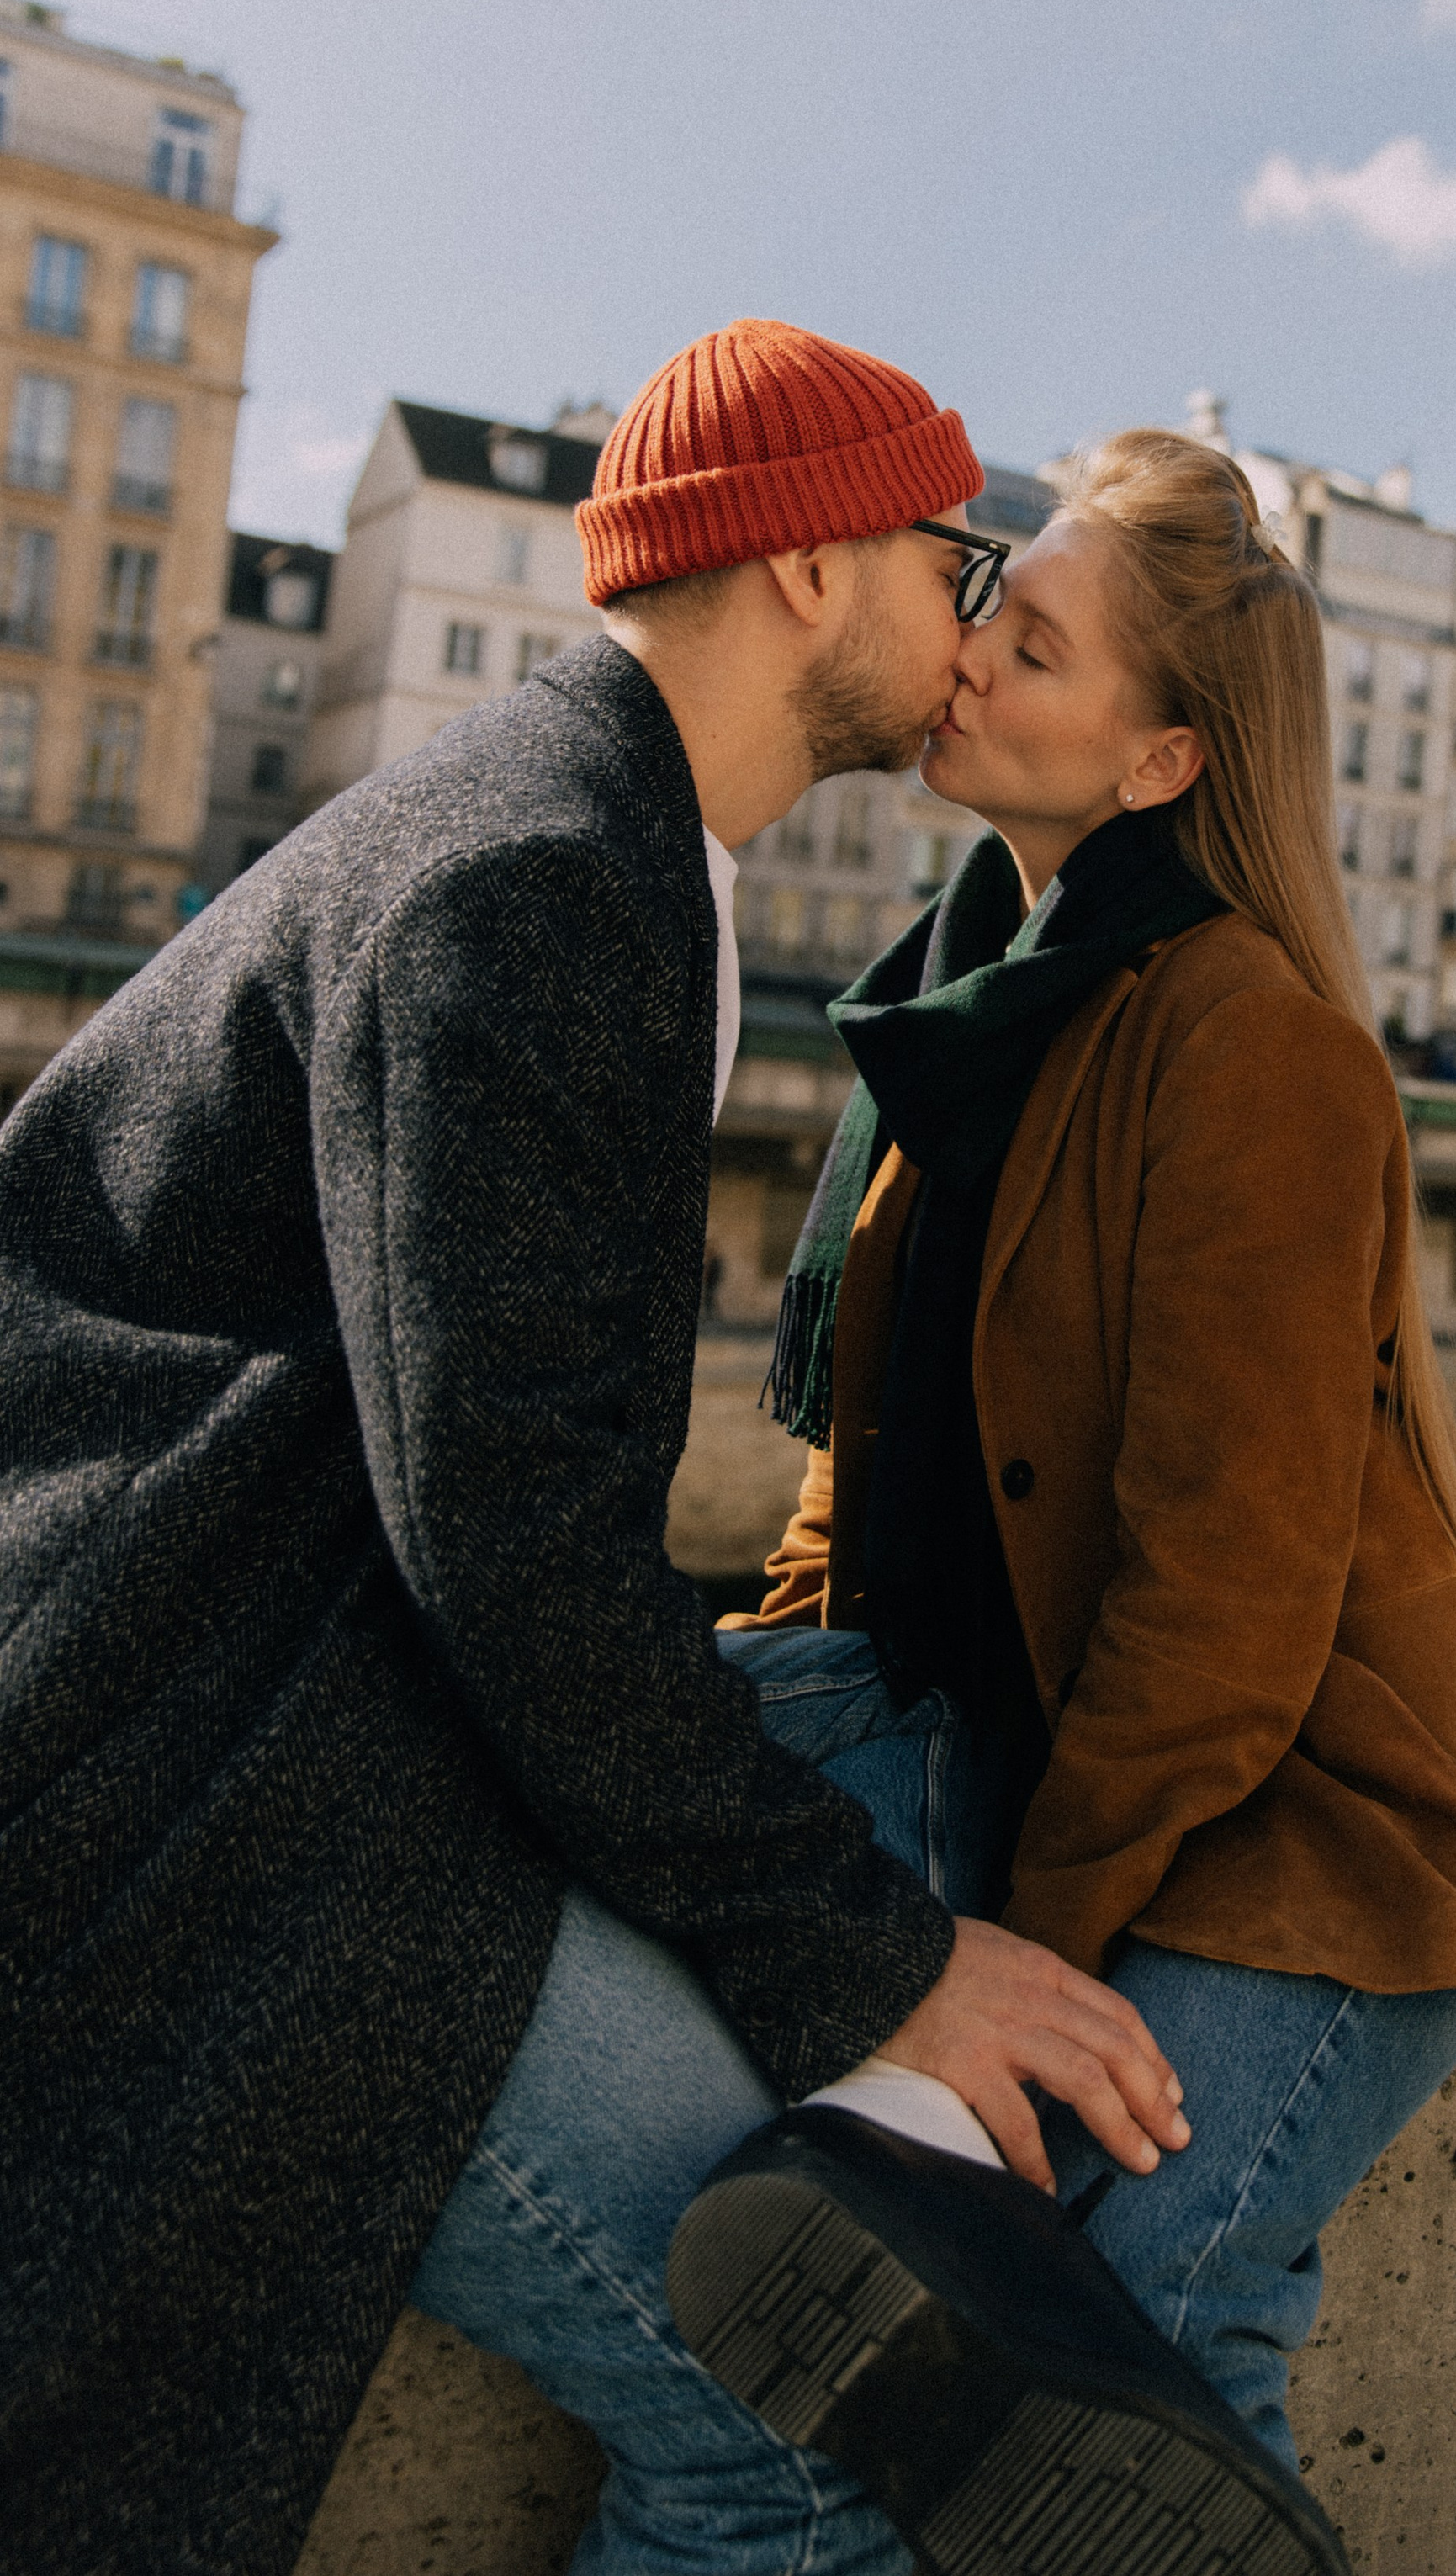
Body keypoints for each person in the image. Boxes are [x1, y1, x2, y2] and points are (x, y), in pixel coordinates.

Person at [0, 325, 1208, 2576]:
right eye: (952, 558)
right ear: (814, 567)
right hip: (228, 1787)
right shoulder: (542, 875)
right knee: (820, 2416)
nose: (967, 618)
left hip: (238, 1686)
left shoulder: (571, 825)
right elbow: (516, 1552)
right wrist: (879, 1954)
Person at [680, 429, 1456, 2547]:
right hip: (1064, 1766)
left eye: (1039, 644)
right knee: (1069, 2351)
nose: (969, 653)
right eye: (994, 604)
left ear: (1161, 762)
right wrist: (768, 1745)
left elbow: (1224, 1604)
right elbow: (855, 1477)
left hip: (1313, 1830)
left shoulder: (1251, 1045)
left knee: (1116, 2321)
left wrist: (1011, 1955)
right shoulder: (963, 1008)